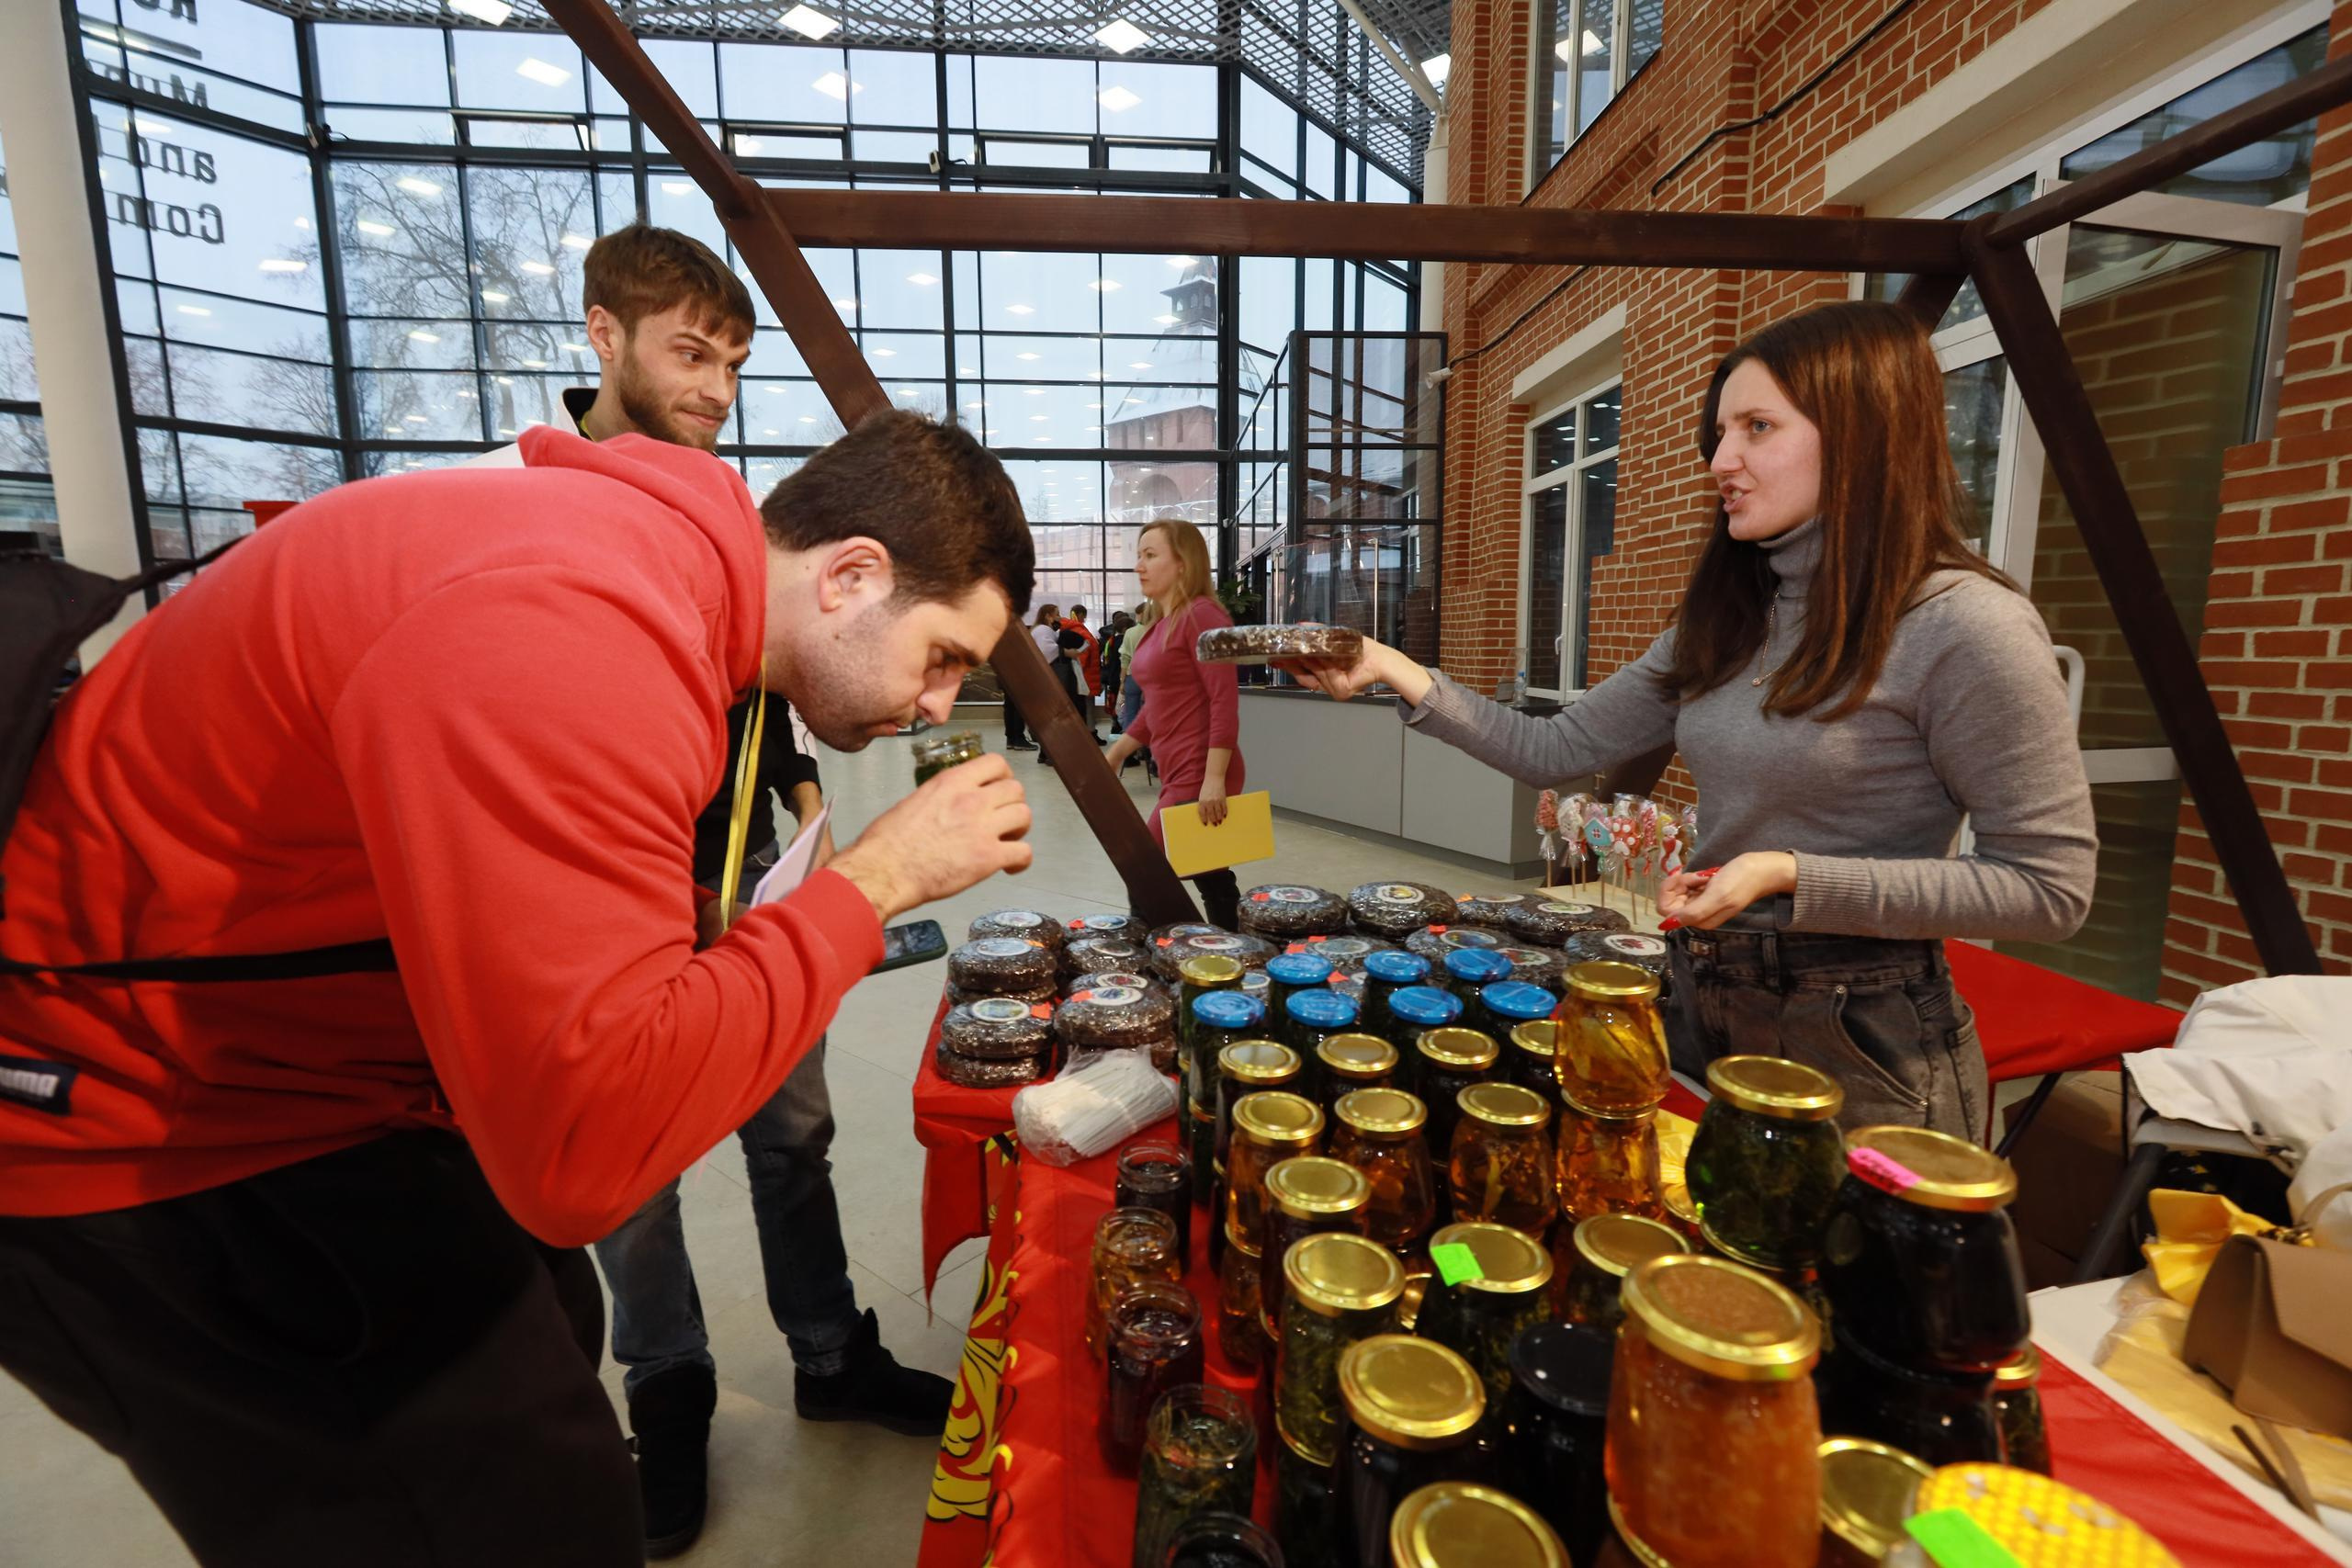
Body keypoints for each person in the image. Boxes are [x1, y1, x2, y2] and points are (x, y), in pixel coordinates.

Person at [0, 406, 1036, 1568]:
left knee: (548, 1354)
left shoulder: (635, 567)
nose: (941, 703)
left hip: (298, 1070)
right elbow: (584, 1152)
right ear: (851, 574)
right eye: (945, 654)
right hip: (150, 1130)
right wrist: (872, 883)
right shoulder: (576, 620)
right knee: (517, 1518)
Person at [1279, 301, 2095, 1139]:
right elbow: (1558, 746)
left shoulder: (1965, 625)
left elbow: (2048, 889)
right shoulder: (1734, 613)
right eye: (1720, 431)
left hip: (1861, 1039)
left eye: (1758, 426)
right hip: (1705, 999)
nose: (1721, 459)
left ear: (1864, 433)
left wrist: (1789, 873)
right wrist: (1394, 669)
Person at [523, 228, 949, 1561]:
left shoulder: (732, 513)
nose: (714, 388)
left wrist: (810, 825)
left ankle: (829, 1351)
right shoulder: (526, 499)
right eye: (689, 354)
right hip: (611, 916)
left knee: (794, 1138)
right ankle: (670, 1389)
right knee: (632, 1179)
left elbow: (778, 681)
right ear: (605, 335)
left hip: (754, 896)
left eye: (732, 363)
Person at [1104, 521, 1246, 930]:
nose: (1139, 566)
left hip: (1200, 769)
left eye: (1151, 555)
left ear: (1183, 564)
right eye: (1139, 555)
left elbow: (1224, 699)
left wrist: (1214, 779)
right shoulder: (1165, 622)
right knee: (1208, 867)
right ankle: (1231, 949)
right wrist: (1118, 750)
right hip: (1177, 767)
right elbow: (1159, 704)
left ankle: (1147, 959)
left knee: (1145, 867)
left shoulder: (1203, 614)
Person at [1063, 604, 1106, 743]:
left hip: (1086, 674)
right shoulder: (1080, 631)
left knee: (1087, 706)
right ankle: (1090, 734)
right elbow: (1083, 654)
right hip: (1085, 675)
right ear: (1081, 615)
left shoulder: (1075, 629)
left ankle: (1090, 732)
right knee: (1087, 706)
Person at [1102, 607, 1134, 733]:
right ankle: (1120, 727)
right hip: (1122, 677)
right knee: (1122, 704)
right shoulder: (1123, 641)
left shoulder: (1111, 640)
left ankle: (1116, 725)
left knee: (1117, 702)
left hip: (1112, 676)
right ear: (1126, 629)